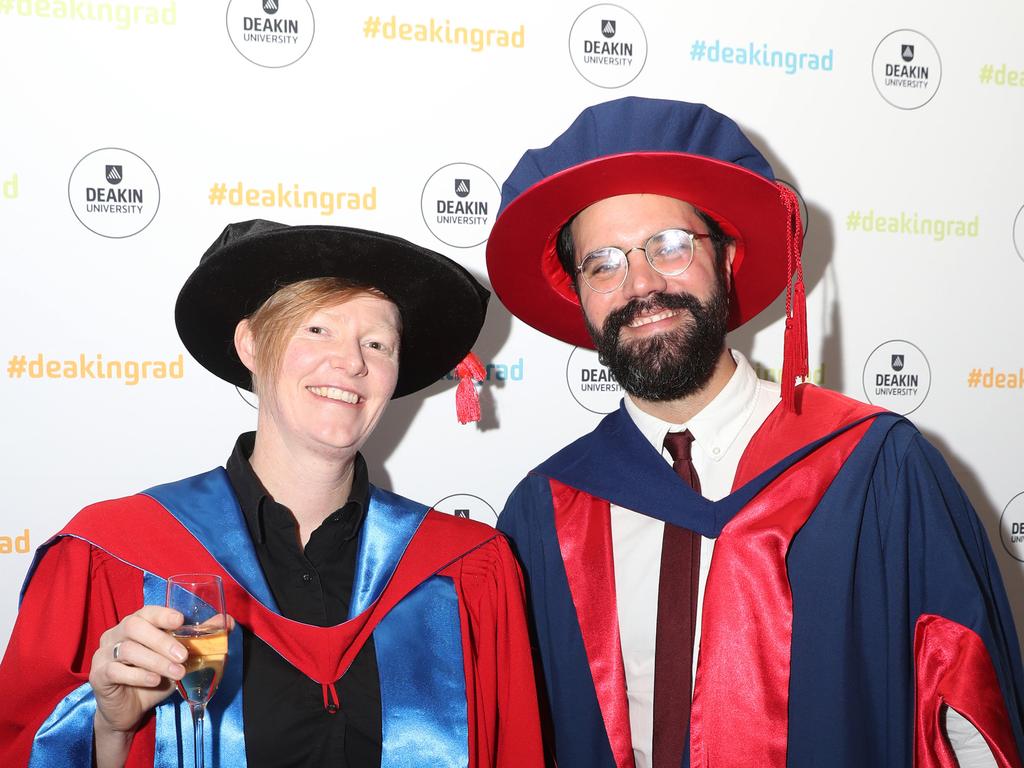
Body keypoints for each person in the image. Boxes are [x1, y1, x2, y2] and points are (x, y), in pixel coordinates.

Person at [485, 96, 1024, 768]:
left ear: (729, 258)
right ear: (580, 294)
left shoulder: (873, 470)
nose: (642, 284)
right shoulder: (544, 512)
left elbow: (970, 721)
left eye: (671, 246)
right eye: (604, 263)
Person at [0, 220, 544, 767]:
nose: (352, 361)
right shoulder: (112, 556)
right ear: (251, 345)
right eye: (317, 330)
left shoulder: (466, 571)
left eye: (378, 343)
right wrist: (111, 731)